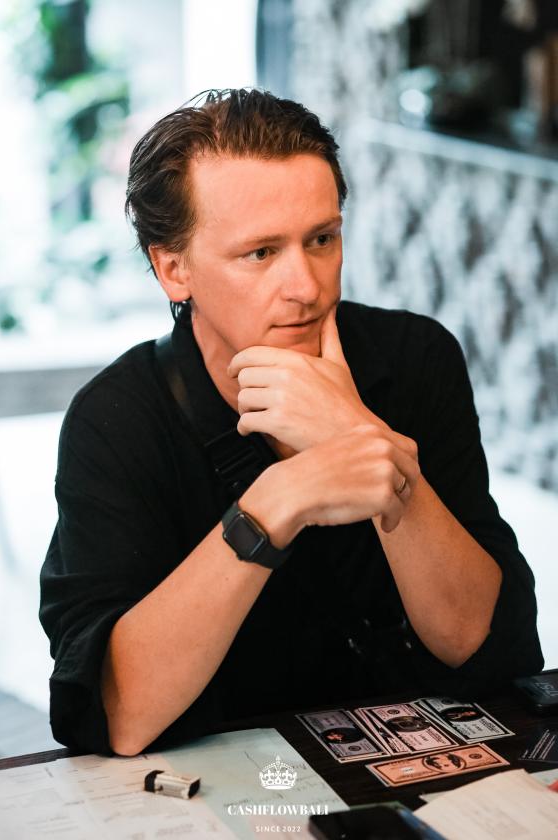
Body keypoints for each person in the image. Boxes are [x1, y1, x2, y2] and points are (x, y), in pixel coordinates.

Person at [39, 88, 543, 757]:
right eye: (261, 253)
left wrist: (365, 443)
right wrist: (279, 499)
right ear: (173, 269)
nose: (306, 287)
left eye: (322, 239)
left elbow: (485, 645)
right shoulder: (118, 419)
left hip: (415, 759)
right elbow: (121, 716)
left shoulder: (415, 359)